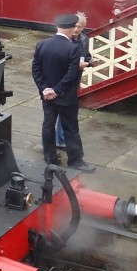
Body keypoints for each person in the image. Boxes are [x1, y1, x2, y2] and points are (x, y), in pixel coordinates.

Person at [32, 13, 94, 173]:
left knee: (48, 126)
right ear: (71, 28)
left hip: (47, 96)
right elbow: (71, 75)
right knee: (71, 128)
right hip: (66, 97)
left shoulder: (42, 44)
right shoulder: (72, 49)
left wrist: (45, 89)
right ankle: (75, 161)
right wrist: (57, 91)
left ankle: (50, 158)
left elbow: (36, 70)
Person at [56, 12, 99, 149]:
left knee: (69, 110)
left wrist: (91, 62)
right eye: (74, 26)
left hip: (75, 80)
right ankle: (59, 139)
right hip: (61, 80)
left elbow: (85, 55)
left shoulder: (84, 39)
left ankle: (63, 138)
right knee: (60, 111)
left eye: (80, 27)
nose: (76, 30)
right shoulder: (63, 40)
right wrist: (76, 65)